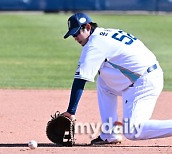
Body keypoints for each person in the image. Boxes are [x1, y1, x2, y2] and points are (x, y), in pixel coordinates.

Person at [62, 12, 172, 145]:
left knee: (133, 131)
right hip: (143, 74)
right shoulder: (106, 33)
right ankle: (110, 133)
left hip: (144, 81)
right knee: (104, 83)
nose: (75, 37)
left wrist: (70, 111)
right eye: (72, 34)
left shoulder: (94, 44)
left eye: (77, 33)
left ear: (88, 27)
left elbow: (80, 80)